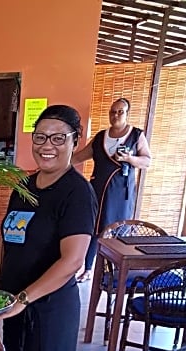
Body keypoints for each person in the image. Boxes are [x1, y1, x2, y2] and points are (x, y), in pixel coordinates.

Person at [0, 104, 97, 351]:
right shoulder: (24, 184)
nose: (46, 145)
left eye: (57, 138)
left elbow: (73, 260)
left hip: (50, 310)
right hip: (16, 305)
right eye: (40, 137)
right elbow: (6, 244)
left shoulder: (76, 192)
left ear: (74, 141)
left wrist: (23, 298)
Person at [72, 97, 151, 278]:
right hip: (97, 188)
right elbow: (78, 157)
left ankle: (115, 271)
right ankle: (88, 269)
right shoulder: (101, 137)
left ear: (127, 114)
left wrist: (129, 159)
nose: (115, 115)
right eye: (112, 112)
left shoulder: (136, 135)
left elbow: (146, 161)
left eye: (120, 112)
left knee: (117, 229)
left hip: (120, 192)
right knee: (93, 227)